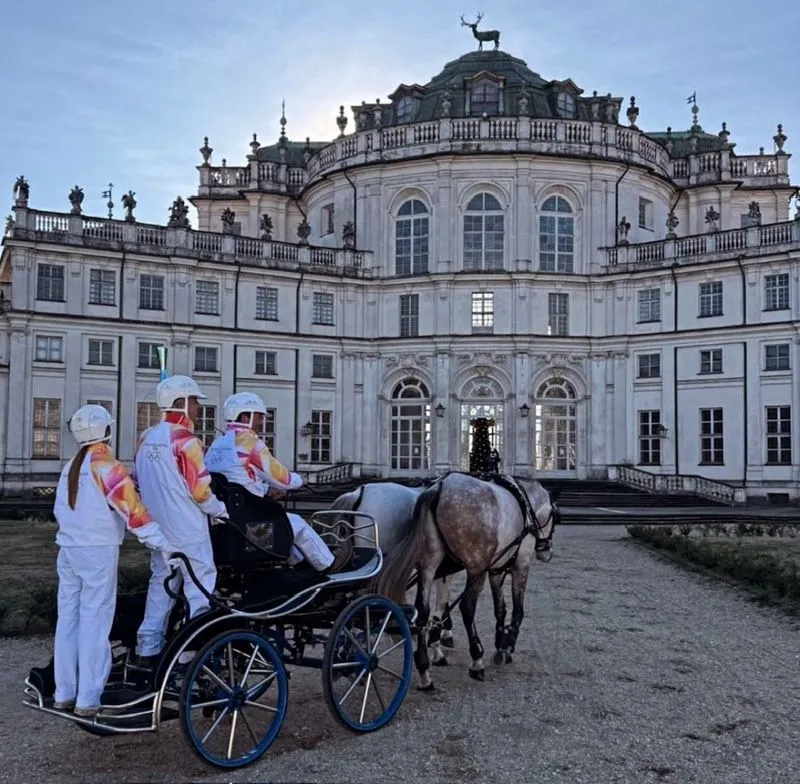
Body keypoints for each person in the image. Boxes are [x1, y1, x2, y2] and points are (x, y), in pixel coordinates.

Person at [52, 404, 176, 717]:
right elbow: (133, 511)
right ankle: (88, 697)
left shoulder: (72, 465)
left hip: (68, 550)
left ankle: (64, 691)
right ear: (106, 430)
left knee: (69, 619)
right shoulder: (105, 463)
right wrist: (163, 544)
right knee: (95, 620)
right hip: (97, 550)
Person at [133, 375, 228, 666]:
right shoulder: (186, 441)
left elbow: (136, 482)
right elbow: (200, 492)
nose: (199, 409)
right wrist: (221, 510)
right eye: (196, 402)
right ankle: (191, 655)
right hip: (188, 529)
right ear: (182, 403)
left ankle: (147, 651)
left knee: (161, 587)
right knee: (199, 589)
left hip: (160, 532)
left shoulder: (146, 437)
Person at [205, 391, 349, 573]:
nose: (261, 422)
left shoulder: (217, 445)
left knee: (287, 528)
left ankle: (300, 567)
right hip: (250, 525)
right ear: (244, 416)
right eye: (258, 416)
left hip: (227, 521)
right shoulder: (250, 443)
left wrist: (265, 490)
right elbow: (284, 479)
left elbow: (235, 481)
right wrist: (301, 480)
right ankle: (329, 565)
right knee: (297, 525)